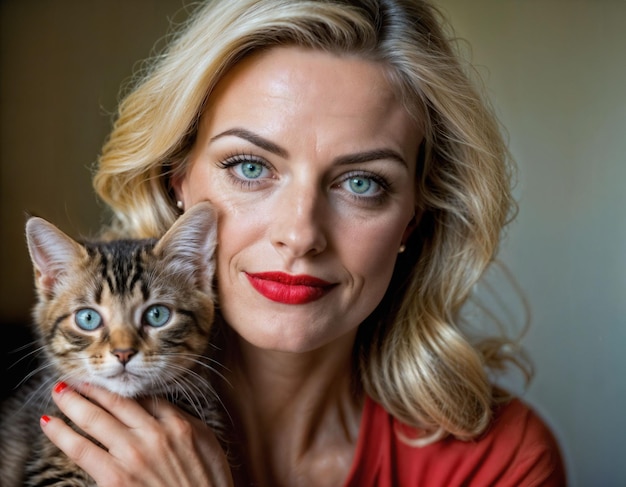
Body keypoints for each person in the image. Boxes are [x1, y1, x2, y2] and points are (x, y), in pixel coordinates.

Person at [39, 0, 567, 485]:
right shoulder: (66, 428)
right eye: (250, 167)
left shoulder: (501, 461)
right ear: (176, 180)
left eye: (362, 182)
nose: (300, 234)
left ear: (413, 218)